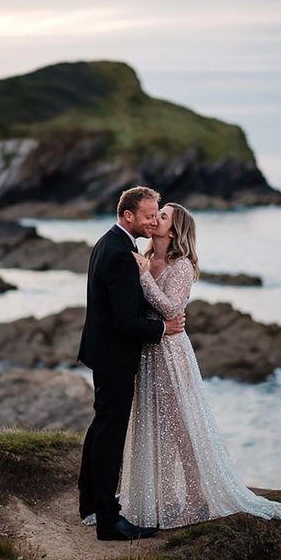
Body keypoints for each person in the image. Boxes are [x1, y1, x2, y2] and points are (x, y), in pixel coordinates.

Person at [119, 202, 281, 529]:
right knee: (155, 425)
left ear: (173, 230)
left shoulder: (182, 266)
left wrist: (145, 278)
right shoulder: (144, 259)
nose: (154, 218)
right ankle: (167, 498)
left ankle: (199, 500)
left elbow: (172, 308)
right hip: (146, 352)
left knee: (180, 429)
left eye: (162, 216)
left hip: (170, 354)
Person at [77, 187, 185, 541]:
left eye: (158, 216)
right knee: (110, 435)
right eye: (149, 215)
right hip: (115, 356)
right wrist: (163, 328)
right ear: (129, 216)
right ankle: (108, 519)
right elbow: (125, 321)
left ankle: (91, 503)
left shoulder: (110, 242)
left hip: (102, 352)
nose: (154, 221)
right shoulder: (122, 253)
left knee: (101, 427)